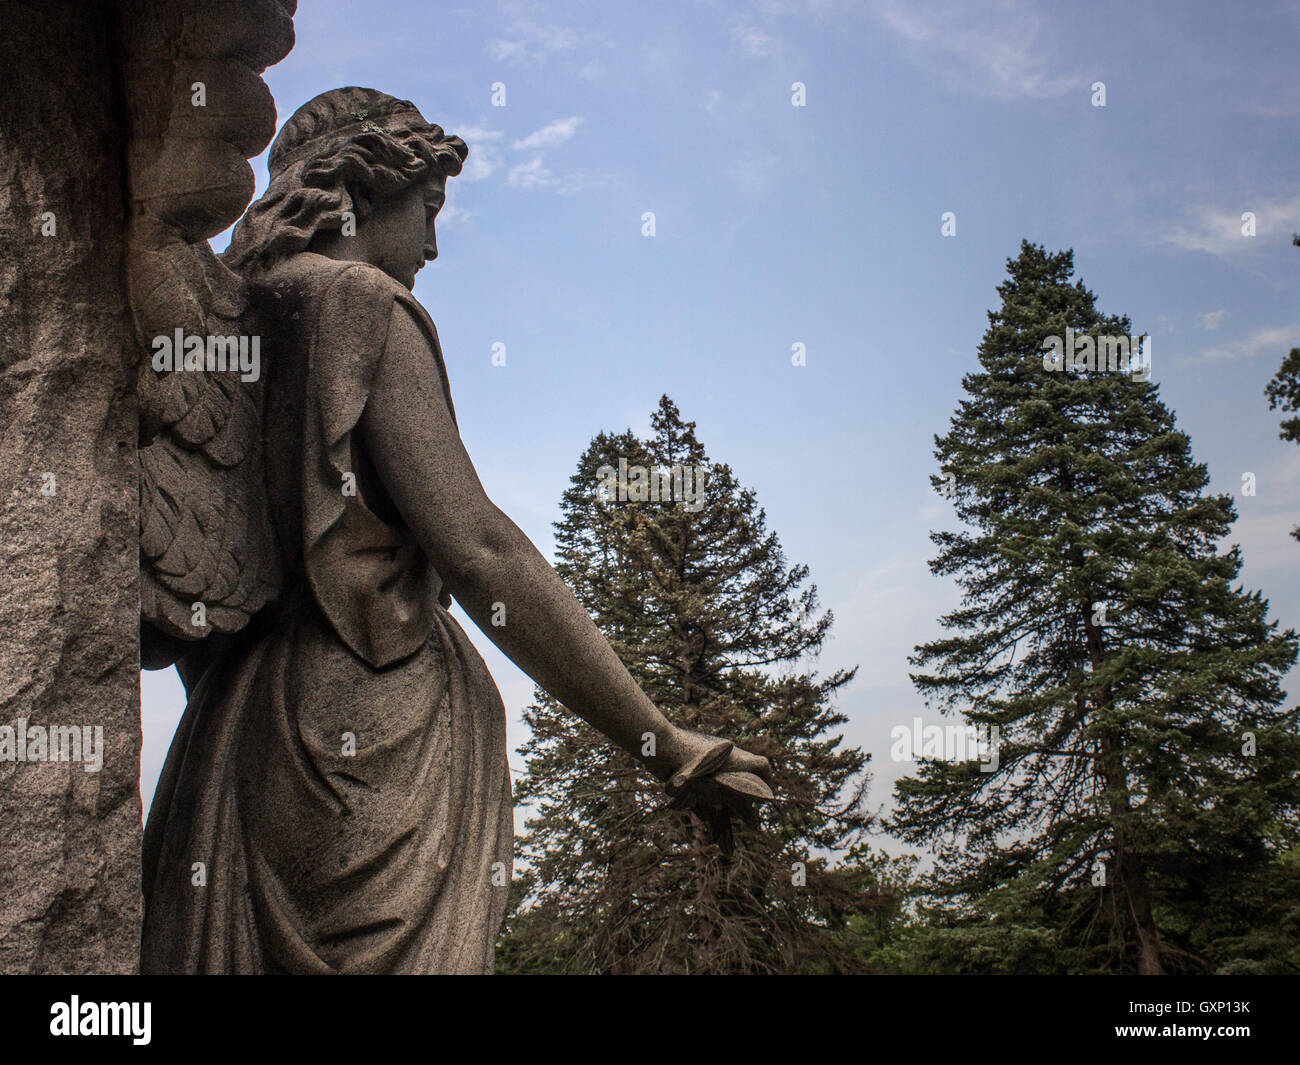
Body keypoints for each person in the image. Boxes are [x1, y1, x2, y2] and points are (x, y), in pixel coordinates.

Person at [140, 87, 770, 974]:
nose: (432, 246)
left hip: (243, 740)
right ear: (363, 188)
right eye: (428, 209)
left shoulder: (229, 321)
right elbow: (478, 547)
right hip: (372, 736)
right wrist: (663, 740)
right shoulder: (363, 306)